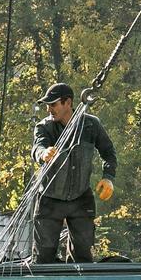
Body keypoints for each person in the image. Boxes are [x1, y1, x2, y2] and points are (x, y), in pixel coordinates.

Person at [31, 82, 117, 264]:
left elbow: (108, 153)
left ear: (68, 103)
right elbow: (37, 147)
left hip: (80, 198)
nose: (48, 109)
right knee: (43, 258)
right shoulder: (44, 127)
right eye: (47, 105)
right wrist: (43, 153)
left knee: (83, 256)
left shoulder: (91, 125)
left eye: (53, 104)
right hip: (50, 199)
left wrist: (108, 178)